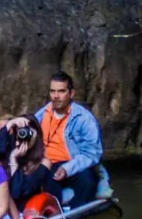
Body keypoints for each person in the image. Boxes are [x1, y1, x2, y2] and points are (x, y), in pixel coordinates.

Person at [36, 73, 103, 209]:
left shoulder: (84, 118)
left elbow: (92, 153)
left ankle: (77, 216)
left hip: (74, 162)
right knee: (47, 184)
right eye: (52, 91)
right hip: (47, 163)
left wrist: (67, 169)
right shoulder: (42, 114)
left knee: (87, 183)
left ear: (71, 93)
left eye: (61, 91)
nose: (56, 96)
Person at [4, 125, 57, 219]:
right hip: (4, 213)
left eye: (29, 132)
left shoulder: (43, 163)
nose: (24, 135)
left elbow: (17, 193)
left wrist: (14, 161)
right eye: (21, 132)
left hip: (27, 214)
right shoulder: (5, 157)